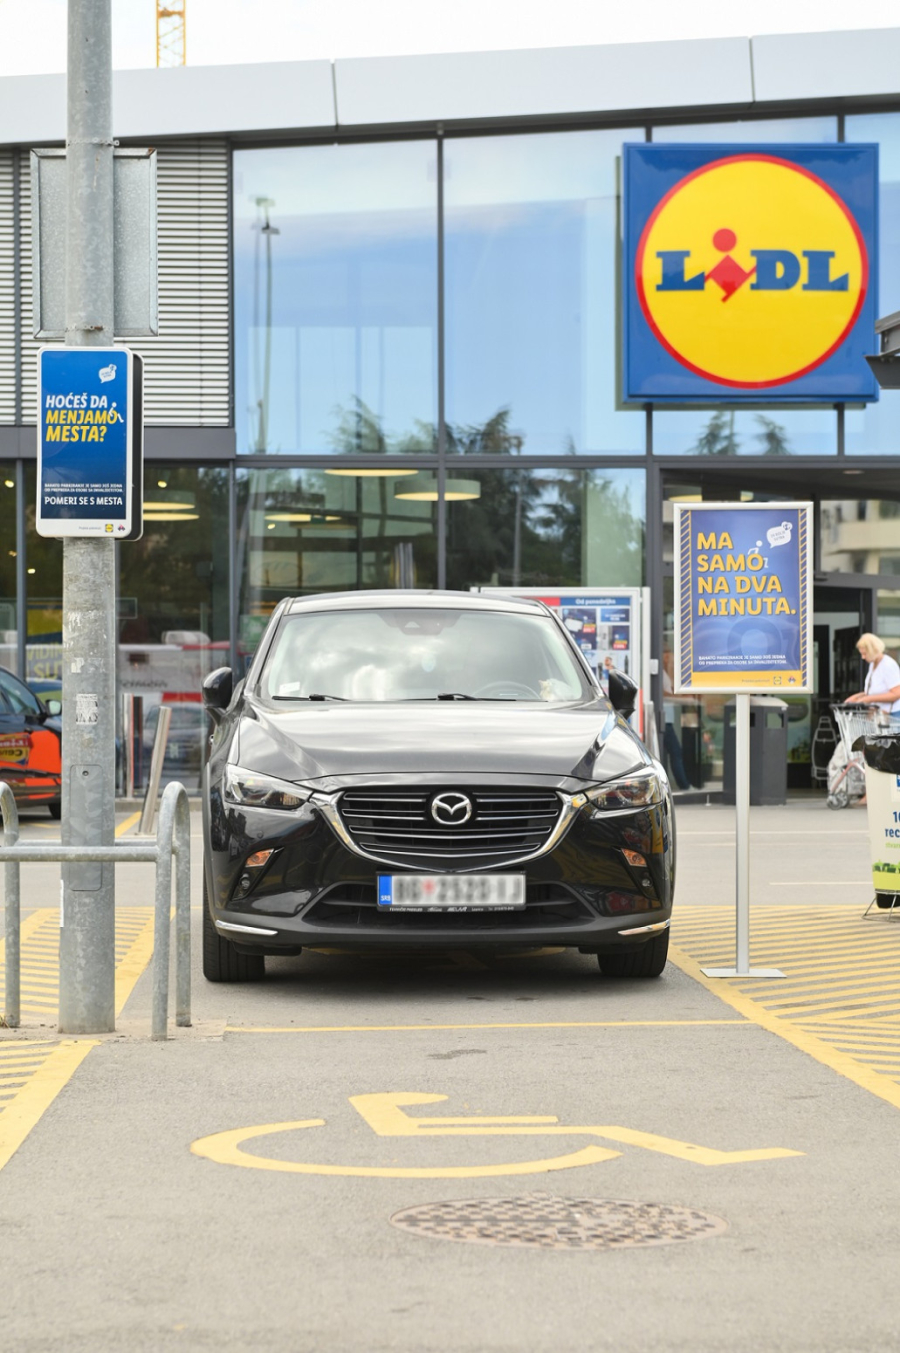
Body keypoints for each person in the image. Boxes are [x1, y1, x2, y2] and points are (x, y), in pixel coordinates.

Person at [845, 633, 900, 722]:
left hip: (892, 716)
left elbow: (897, 693)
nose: (863, 657)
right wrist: (856, 697)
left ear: (873, 650)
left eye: (865, 654)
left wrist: (868, 699)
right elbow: (874, 690)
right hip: (880, 716)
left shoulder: (888, 665)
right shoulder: (873, 664)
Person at [661, 649, 692, 791]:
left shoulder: (664, 673)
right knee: (676, 753)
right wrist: (680, 697)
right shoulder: (659, 673)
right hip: (663, 719)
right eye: (667, 655)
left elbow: (670, 689)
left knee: (672, 753)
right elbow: (661, 692)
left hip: (667, 718)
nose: (669, 659)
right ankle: (684, 786)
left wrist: (683, 693)